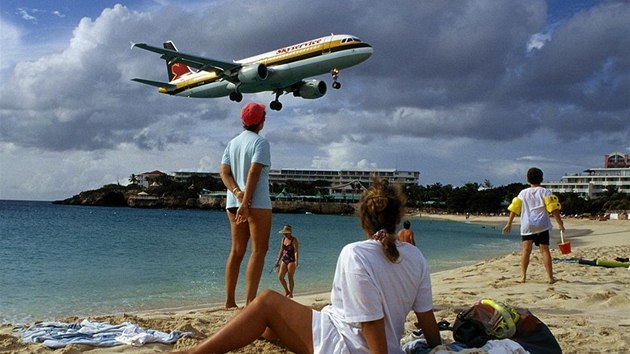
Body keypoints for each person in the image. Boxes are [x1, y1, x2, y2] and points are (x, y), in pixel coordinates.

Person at [177, 178, 441, 354]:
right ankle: (257, 332)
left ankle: (195, 353)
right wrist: (438, 347)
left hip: (347, 346)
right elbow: (426, 317)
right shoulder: (415, 257)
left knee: (267, 301)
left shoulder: (355, 254)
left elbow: (371, 323)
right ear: (398, 219)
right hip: (360, 339)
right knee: (314, 310)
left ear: (363, 219)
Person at [219, 102, 272, 308]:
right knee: (258, 251)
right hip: (256, 204)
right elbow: (254, 171)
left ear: (243, 121)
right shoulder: (260, 142)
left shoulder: (232, 143)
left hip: (233, 203)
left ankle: (230, 301)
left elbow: (224, 172)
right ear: (261, 121)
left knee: (236, 251)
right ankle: (250, 302)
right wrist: (247, 201)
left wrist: (237, 193)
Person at [503, 167, 565, 284]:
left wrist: (509, 223)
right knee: (545, 251)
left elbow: (514, 208)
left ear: (527, 179)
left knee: (526, 251)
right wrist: (560, 224)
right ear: (541, 179)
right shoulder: (545, 192)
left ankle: (523, 276)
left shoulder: (522, 193)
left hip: (527, 225)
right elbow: (553, 209)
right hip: (542, 225)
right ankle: (550, 277)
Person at [274, 224, 300, 298]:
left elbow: (296, 251)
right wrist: (277, 261)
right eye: (283, 233)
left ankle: (291, 293)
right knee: (280, 277)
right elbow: (281, 250)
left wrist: (296, 261)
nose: (284, 234)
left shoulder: (294, 240)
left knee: (290, 277)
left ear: (289, 232)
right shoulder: (283, 239)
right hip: (284, 259)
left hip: (291, 260)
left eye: (285, 233)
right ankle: (287, 291)